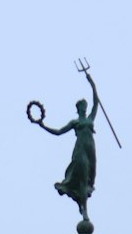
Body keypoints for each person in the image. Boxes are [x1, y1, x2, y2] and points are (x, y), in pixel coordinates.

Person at [36, 66, 100, 224]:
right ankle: (85, 210)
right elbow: (58, 132)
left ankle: (82, 200)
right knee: (83, 176)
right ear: (78, 109)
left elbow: (96, 102)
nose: (84, 109)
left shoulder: (90, 118)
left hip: (91, 149)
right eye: (81, 107)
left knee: (91, 176)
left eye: (85, 107)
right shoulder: (75, 122)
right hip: (80, 151)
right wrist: (43, 125)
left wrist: (91, 83)